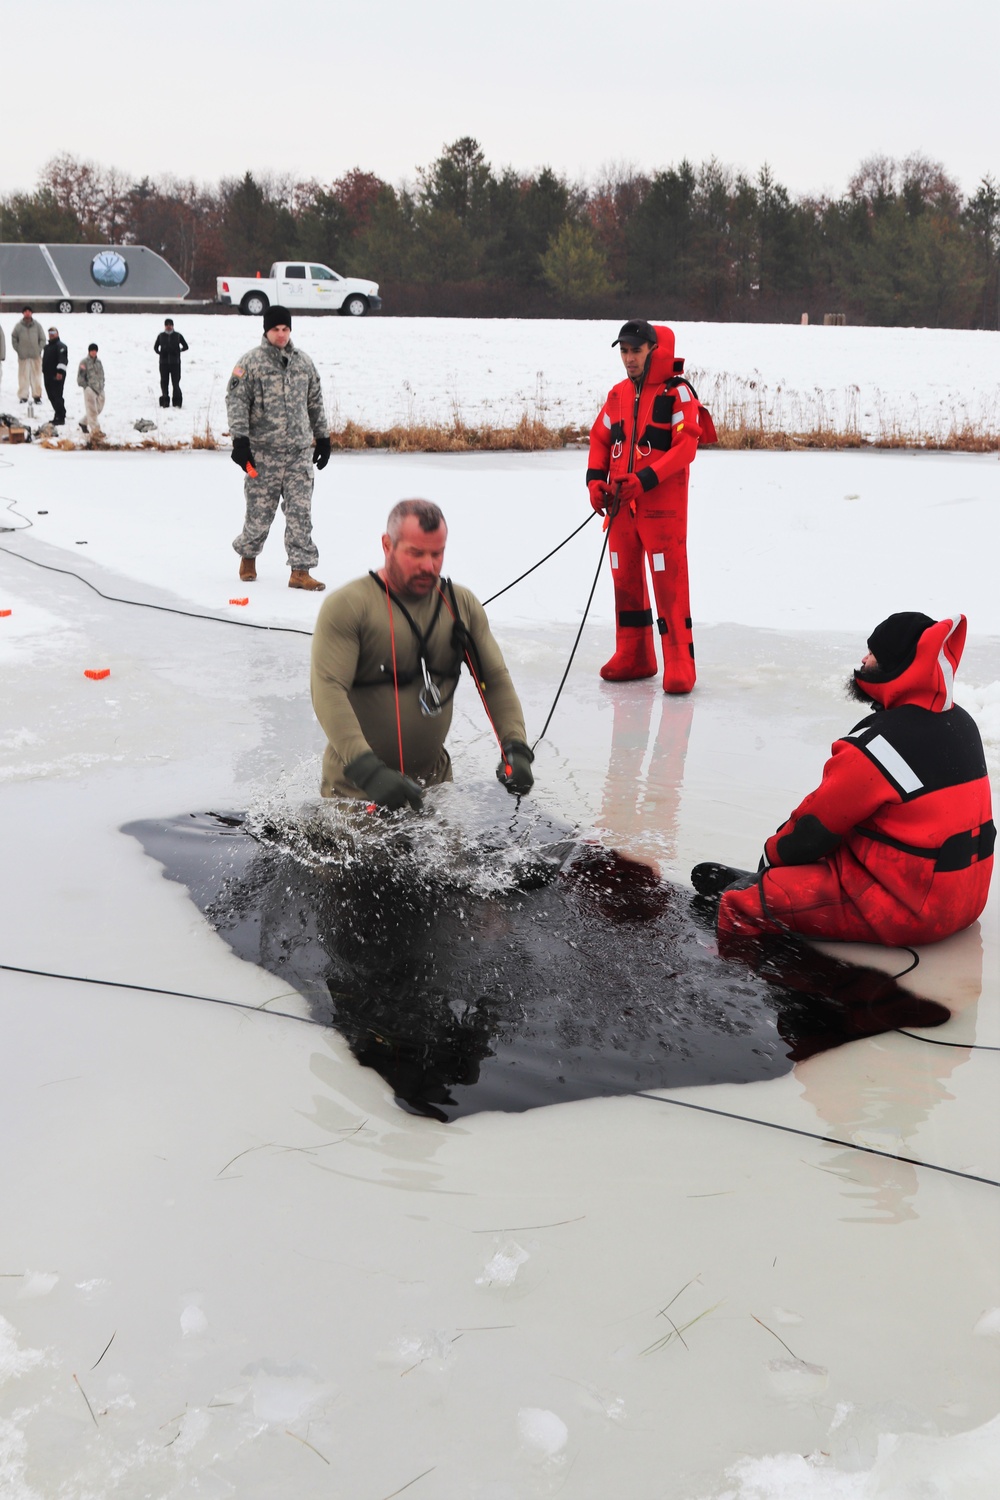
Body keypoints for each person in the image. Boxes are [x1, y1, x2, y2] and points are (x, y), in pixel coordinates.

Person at [693, 612, 994, 947]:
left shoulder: (877, 745)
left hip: (909, 911)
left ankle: (742, 984)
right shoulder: (961, 722)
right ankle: (777, 883)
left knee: (739, 903)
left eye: (874, 653)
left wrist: (768, 864)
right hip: (966, 899)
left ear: (897, 665)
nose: (864, 660)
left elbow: (810, 831)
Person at [310, 498, 534, 809]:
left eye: (436, 554)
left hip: (435, 789)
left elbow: (493, 679)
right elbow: (328, 691)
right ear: (387, 545)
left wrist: (515, 746)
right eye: (415, 553)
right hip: (356, 793)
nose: (428, 566)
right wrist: (368, 770)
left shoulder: (461, 606)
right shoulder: (349, 607)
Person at [587, 320, 715, 694]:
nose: (629, 359)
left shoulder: (679, 395)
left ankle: (679, 662)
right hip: (620, 510)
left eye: (636, 351)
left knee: (668, 583)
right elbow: (599, 438)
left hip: (662, 512)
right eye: (624, 351)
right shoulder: (617, 396)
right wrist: (595, 482)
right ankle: (634, 652)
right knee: (624, 579)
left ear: (654, 352)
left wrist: (644, 480)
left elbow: (685, 448)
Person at [226, 304, 330, 591]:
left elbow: (315, 402)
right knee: (259, 513)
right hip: (263, 454)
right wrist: (240, 442)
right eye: (276, 330)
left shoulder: (304, 363)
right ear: (266, 331)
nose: (281, 334)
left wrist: (322, 438)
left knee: (301, 513)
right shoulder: (250, 363)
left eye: (285, 329)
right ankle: (248, 556)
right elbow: (236, 403)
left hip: (298, 453)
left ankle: (300, 570)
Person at [11, 306, 45, 405]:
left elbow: (42, 339)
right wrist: (19, 350)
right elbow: (14, 338)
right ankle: (23, 396)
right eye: (25, 311)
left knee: (36, 376)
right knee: (23, 377)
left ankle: (37, 396)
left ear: (31, 313)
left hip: (35, 356)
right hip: (23, 356)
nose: (27, 313)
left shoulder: (37, 326)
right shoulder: (18, 326)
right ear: (23, 313)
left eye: (29, 311)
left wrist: (38, 349)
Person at [153, 317, 189, 408]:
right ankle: (165, 400)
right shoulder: (161, 336)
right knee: (164, 382)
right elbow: (155, 347)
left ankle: (177, 402)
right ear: (165, 326)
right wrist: (160, 353)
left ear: (173, 326)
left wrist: (178, 350)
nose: (169, 326)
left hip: (175, 364)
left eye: (170, 325)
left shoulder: (177, 335)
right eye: (167, 325)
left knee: (175, 383)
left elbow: (186, 346)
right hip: (163, 363)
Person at [42, 327, 68, 426]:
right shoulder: (47, 347)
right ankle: (58, 414)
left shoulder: (61, 346)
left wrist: (60, 372)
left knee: (57, 395)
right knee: (51, 396)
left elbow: (63, 360)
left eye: (53, 332)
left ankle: (61, 416)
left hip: (57, 375)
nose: (51, 334)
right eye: (50, 333)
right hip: (47, 375)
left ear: (57, 333)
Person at [77, 343, 105, 433]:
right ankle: (96, 431)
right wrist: (86, 387)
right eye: (92, 351)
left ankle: (83, 422)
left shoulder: (99, 362)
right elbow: (80, 377)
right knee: (92, 410)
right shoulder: (84, 362)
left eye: (95, 351)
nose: (93, 352)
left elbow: (102, 374)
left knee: (98, 408)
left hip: (99, 388)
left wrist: (102, 384)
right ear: (89, 351)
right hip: (90, 389)